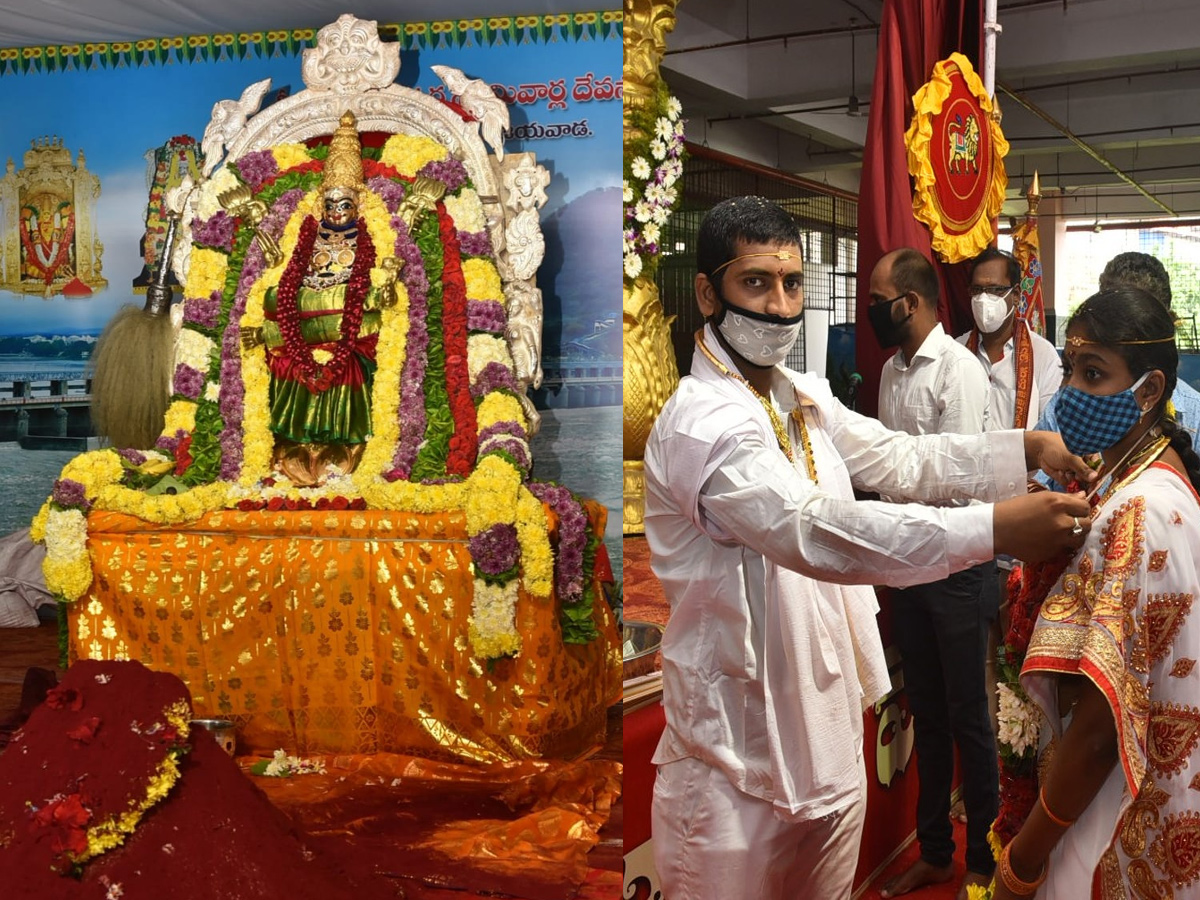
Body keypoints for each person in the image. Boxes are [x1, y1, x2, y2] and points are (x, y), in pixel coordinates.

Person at [643, 196, 1096, 900]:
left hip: (824, 737)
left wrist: (1023, 450)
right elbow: (819, 532)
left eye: (792, 284)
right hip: (732, 759)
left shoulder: (800, 393)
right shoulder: (703, 424)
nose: (780, 305)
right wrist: (996, 528)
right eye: (755, 283)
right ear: (708, 292)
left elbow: (901, 459)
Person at [991, 288, 1200, 899]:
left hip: (1113, 813)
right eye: (1072, 368)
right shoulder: (1131, 477)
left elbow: (1101, 727)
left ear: (1151, 390)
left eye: (1095, 373)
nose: (1074, 392)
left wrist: (1021, 863)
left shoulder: (1139, 510)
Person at [868, 248, 998, 899]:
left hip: (956, 566)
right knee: (928, 713)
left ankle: (984, 860)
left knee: (970, 716)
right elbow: (893, 469)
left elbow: (956, 477)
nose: (871, 310)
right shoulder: (893, 372)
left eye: (878, 298)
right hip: (908, 563)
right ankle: (936, 852)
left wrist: (896, 498)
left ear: (910, 303)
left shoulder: (959, 372)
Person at [243, 111, 401, 486]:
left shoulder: (374, 237)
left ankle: (344, 455)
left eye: (344, 204)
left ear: (357, 205)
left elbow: (383, 296)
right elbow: (283, 287)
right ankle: (292, 452)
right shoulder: (304, 239)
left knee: (346, 364)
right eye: (329, 205)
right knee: (290, 352)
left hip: (349, 333)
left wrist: (386, 287)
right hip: (307, 328)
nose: (335, 211)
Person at [1037, 251, 1200, 445]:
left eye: (1132, 324)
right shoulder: (1070, 403)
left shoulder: (1193, 414)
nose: (1115, 336)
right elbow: (1039, 470)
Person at [958, 247, 1063, 431]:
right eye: (977, 290)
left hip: (1022, 459)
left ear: (1015, 295)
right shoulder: (957, 350)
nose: (983, 298)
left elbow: (1052, 426)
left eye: (995, 290)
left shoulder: (1042, 354)